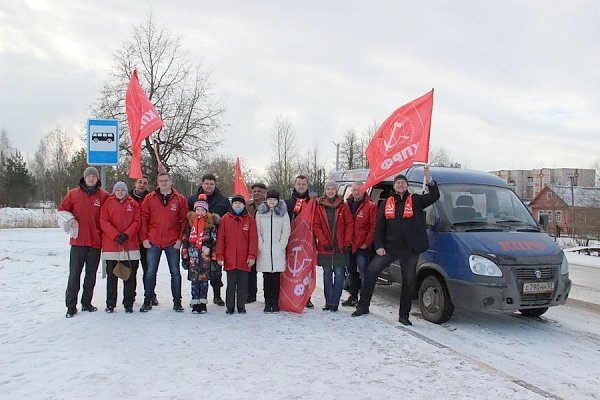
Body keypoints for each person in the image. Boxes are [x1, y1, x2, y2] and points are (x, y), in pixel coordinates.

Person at [352, 166, 440, 326]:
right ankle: (363, 306)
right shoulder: (386, 203)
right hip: (389, 247)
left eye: (403, 183)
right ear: (394, 186)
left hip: (409, 249)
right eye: (398, 183)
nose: (400, 185)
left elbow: (434, 195)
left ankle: (403, 315)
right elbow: (379, 227)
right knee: (371, 271)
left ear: (407, 186)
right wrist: (378, 245)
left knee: (409, 281)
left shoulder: (416, 200)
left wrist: (429, 180)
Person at [58, 167, 110, 318]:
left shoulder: (104, 196)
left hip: (95, 242)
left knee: (91, 275)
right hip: (78, 242)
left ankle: (86, 303)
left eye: (94, 176)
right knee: (74, 274)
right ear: (84, 177)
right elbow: (62, 210)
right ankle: (71, 306)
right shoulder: (73, 194)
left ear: (97, 178)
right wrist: (70, 220)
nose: (91, 178)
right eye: (89, 176)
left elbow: (111, 213)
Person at [140, 172, 188, 313]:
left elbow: (183, 221)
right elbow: (144, 219)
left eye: (166, 180)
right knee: (150, 272)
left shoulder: (179, 199)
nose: (163, 183)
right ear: (157, 182)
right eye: (161, 180)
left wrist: (180, 239)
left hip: (172, 241)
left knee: (175, 272)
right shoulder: (150, 198)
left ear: (171, 181)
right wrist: (144, 238)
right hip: (153, 241)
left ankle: (177, 302)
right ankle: (147, 300)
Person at [188, 173, 231, 306]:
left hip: (215, 240)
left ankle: (217, 295)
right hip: (196, 241)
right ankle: (196, 297)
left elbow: (227, 220)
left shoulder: (223, 200)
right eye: (206, 183)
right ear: (202, 183)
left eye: (212, 184)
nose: (209, 186)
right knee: (196, 270)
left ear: (215, 184)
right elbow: (188, 220)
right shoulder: (192, 199)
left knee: (215, 269)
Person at [100, 181, 141, 313]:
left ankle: (128, 303)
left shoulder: (133, 204)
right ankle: (110, 303)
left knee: (129, 276)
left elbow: (137, 221)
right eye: (118, 190)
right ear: (114, 191)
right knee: (112, 277)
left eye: (122, 190)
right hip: (112, 246)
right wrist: (115, 235)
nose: (120, 192)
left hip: (130, 246)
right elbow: (103, 221)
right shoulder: (107, 203)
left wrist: (127, 234)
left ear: (126, 191)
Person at [314, 181, 353, 312]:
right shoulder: (320, 206)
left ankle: (335, 302)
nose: (330, 191)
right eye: (328, 189)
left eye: (333, 189)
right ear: (325, 191)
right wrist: (324, 242)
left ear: (336, 191)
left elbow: (349, 225)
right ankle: (328, 301)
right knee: (327, 274)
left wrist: (347, 242)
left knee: (339, 274)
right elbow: (316, 226)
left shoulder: (343, 206)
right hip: (326, 246)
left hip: (340, 246)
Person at [216, 194, 258, 314]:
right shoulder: (225, 219)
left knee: (243, 284)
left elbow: (253, 239)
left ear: (244, 205)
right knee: (231, 284)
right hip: (230, 258)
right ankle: (230, 306)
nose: (238, 205)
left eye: (240, 203)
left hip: (244, 259)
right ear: (232, 204)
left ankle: (241, 306)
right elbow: (221, 239)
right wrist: (220, 255)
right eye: (235, 203)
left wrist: (252, 255)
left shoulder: (249, 219)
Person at [181, 194, 220, 314]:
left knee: (203, 280)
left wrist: (214, 259)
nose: (200, 212)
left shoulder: (210, 225)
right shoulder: (190, 224)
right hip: (193, 257)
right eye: (197, 209)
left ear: (206, 211)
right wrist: (185, 257)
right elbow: (185, 240)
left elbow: (214, 242)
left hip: (205, 257)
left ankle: (203, 303)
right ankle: (195, 301)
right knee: (194, 280)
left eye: (202, 210)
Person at [342, 182, 377, 307]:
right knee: (351, 273)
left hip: (362, 246)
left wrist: (366, 243)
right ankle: (353, 297)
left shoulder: (370, 206)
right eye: (354, 190)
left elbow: (373, 227)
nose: (356, 192)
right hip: (349, 245)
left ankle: (364, 301)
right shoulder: (346, 205)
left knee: (364, 273)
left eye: (358, 190)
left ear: (364, 190)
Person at [255, 190, 290, 312]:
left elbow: (286, 230)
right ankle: (267, 302)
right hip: (264, 250)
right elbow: (257, 231)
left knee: (276, 279)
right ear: (266, 199)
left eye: (274, 199)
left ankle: (275, 303)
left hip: (277, 250)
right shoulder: (260, 213)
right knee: (266, 279)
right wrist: (261, 245)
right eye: (270, 199)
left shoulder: (283, 213)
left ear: (278, 200)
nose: (272, 201)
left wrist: (281, 245)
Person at [285, 175, 316, 309]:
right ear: (295, 185)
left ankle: (306, 297)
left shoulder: (314, 203)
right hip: (291, 241)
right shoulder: (287, 203)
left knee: (306, 270)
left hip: (307, 241)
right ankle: (288, 293)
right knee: (290, 271)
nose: (301, 186)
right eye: (299, 184)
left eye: (303, 184)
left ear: (307, 185)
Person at [129, 175, 159, 306]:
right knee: (132, 270)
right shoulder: (127, 197)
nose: (142, 185)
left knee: (149, 270)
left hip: (147, 241)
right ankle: (131, 295)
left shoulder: (151, 198)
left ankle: (151, 294)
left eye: (145, 183)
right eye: (140, 182)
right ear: (135, 183)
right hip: (132, 240)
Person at [245, 182, 267, 303]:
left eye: (259, 191)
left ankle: (267, 295)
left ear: (264, 193)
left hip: (266, 241)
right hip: (250, 241)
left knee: (266, 270)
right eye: (254, 191)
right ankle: (251, 295)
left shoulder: (269, 205)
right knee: (250, 270)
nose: (256, 193)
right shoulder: (247, 206)